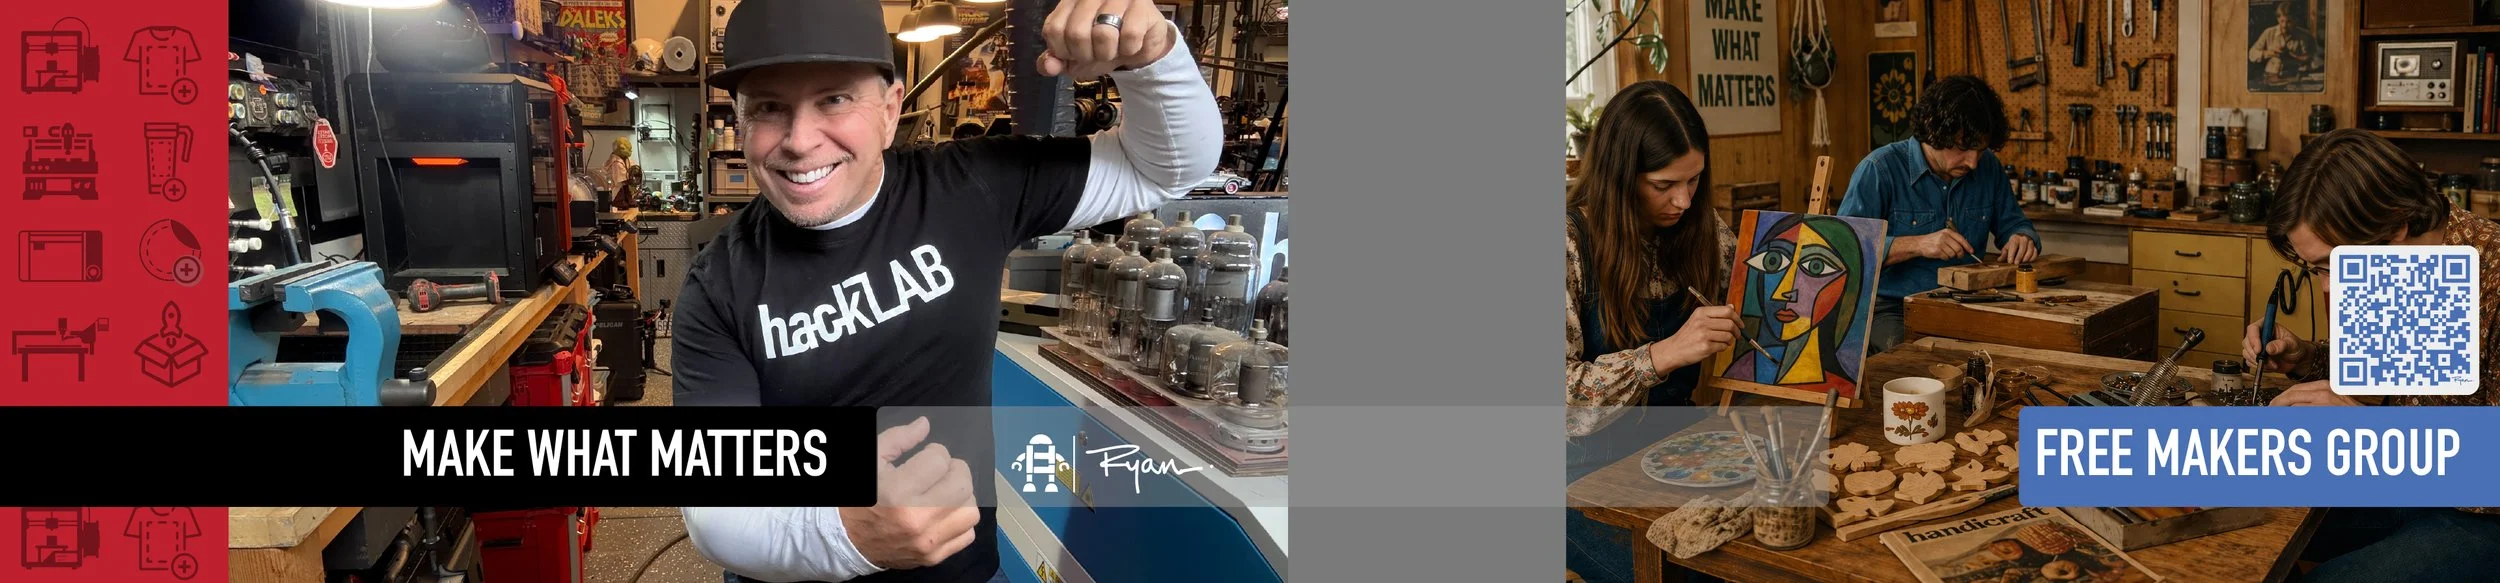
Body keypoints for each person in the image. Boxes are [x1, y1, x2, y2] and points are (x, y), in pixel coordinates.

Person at [666, 0, 1220, 582]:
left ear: (889, 110)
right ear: (741, 122)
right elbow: (715, 514)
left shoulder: (970, 187)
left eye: (834, 99)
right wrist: (848, 537)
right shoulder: (718, 286)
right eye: (769, 108)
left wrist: (1153, 60)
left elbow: (1168, 168)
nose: (800, 141)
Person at [2244, 128, 2500, 581]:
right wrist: (2306, 358)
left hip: (2483, 515)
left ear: (2396, 225)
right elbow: (2381, 384)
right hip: (2410, 484)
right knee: (2252, 518)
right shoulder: (2399, 262)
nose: (2327, 285)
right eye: (2316, 269)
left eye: (2332, 265)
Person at [1563, 80, 1740, 583]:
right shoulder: (1569, 244)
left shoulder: (1703, 229)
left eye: (1694, 180)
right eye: (1664, 185)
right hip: (1581, 476)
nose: (1683, 200)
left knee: (1756, 558)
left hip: (1679, 451)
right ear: (1620, 177)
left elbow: (1763, 297)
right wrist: (1661, 356)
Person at [1837, 74, 2040, 354]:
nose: (1973, 162)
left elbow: (2014, 223)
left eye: (1980, 150)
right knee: (1919, 356)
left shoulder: (1988, 168)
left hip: (1969, 303)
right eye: (1964, 147)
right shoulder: (1879, 169)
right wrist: (1919, 244)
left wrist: (2022, 237)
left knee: (2023, 349)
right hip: (1892, 309)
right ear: (1934, 130)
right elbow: (1843, 251)